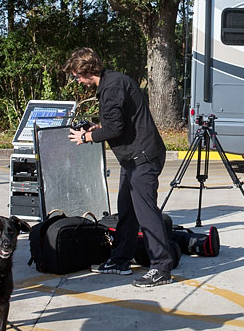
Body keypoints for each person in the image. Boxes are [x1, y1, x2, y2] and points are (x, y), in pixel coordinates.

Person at [64, 48, 173, 287]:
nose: (78, 81)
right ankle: (120, 259)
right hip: (132, 158)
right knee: (127, 211)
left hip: (142, 158)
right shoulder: (113, 82)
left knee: (146, 213)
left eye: (77, 76)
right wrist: (96, 128)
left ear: (86, 71)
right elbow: (119, 122)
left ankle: (162, 267)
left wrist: (86, 137)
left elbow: (115, 129)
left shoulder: (112, 87)